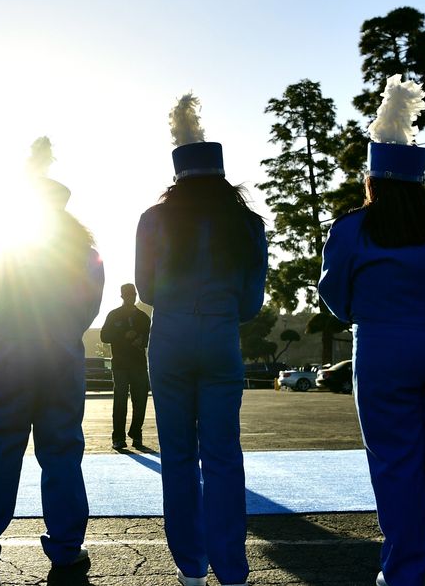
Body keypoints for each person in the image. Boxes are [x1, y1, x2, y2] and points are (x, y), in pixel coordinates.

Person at [318, 76, 425, 586]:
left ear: (373, 179)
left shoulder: (352, 228)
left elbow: (334, 294)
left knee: (395, 463)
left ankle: (406, 570)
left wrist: (365, 314)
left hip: (386, 346)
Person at [0, 147, 104, 573]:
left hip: (12, 352)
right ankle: (68, 548)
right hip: (63, 355)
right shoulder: (84, 249)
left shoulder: (8, 242)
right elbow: (91, 305)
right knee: (62, 451)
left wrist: (7, 326)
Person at [135, 94, 267, 586]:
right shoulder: (246, 223)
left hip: (169, 337)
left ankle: (190, 565)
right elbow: (252, 303)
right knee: (223, 457)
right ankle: (232, 568)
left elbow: (146, 288)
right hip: (220, 336)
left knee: (177, 456)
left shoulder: (153, 219)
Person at [100, 283, 152, 450]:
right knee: (120, 401)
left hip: (138, 364)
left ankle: (136, 433)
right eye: (128, 295)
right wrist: (123, 335)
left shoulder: (144, 318)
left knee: (141, 401)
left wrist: (142, 341)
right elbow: (104, 336)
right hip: (120, 364)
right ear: (122, 296)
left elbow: (150, 338)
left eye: (133, 295)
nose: (131, 297)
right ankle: (118, 437)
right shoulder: (114, 315)